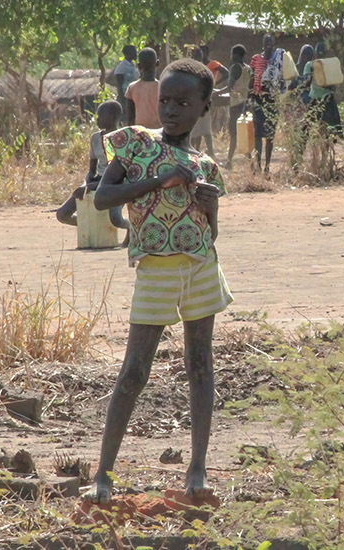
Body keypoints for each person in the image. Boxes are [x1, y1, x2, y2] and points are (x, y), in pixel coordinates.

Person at [87, 59, 229, 504]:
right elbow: (102, 198)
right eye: (165, 100)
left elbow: (212, 232)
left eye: (183, 102)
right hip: (155, 272)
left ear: (204, 108)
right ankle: (103, 476)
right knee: (134, 371)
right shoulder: (132, 145)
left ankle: (197, 470)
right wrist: (157, 181)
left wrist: (211, 207)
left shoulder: (206, 164)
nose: (170, 109)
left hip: (201, 268)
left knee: (200, 366)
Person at [55, 100, 131, 243]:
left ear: (113, 117)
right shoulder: (96, 138)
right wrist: (85, 184)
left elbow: (119, 174)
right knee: (62, 214)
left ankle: (131, 227)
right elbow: (92, 170)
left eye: (101, 116)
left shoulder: (124, 138)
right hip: (99, 180)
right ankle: (93, 223)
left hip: (118, 184)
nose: (97, 119)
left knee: (115, 219)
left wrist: (91, 186)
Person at [250, 35, 287, 173]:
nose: (269, 45)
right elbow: (252, 78)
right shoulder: (256, 59)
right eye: (267, 43)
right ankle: (258, 165)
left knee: (270, 136)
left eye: (271, 43)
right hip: (258, 100)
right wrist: (250, 97)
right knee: (258, 135)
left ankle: (267, 166)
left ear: (274, 44)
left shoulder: (279, 60)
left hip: (272, 101)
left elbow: (284, 79)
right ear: (263, 44)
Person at [224, 45, 254, 167]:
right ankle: (250, 162)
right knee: (244, 133)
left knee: (233, 134)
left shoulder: (234, 68)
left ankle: (229, 161)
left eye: (232, 54)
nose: (231, 56)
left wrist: (215, 92)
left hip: (235, 104)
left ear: (236, 55)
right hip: (246, 104)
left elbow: (229, 87)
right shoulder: (248, 68)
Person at [124, 48, 162, 129]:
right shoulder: (162, 87)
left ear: (138, 65)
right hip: (159, 133)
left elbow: (130, 118)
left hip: (140, 134)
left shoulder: (132, 88)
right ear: (157, 63)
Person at [110, 45, 141, 126]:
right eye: (133, 52)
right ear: (127, 54)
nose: (135, 54)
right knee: (126, 120)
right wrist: (123, 101)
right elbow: (119, 85)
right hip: (125, 97)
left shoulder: (132, 65)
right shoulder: (121, 67)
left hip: (133, 96)